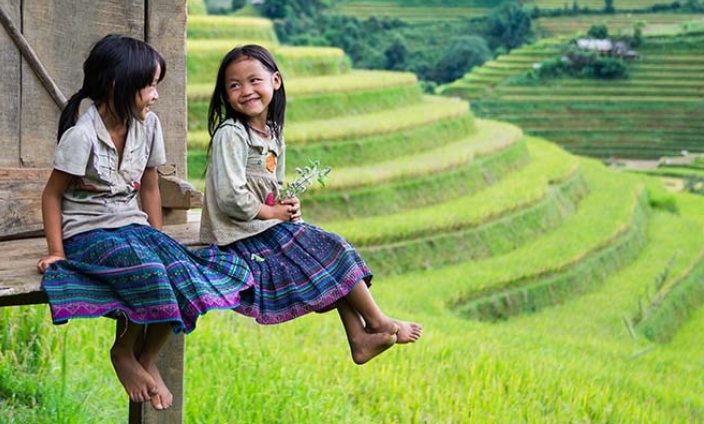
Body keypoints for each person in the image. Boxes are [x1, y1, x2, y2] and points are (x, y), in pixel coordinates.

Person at [37, 34, 251, 410]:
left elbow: (150, 187)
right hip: (88, 232)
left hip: (133, 225)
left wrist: (157, 238)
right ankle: (123, 352)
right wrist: (57, 251)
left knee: (181, 270)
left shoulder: (148, 126)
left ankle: (147, 357)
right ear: (117, 85)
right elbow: (52, 195)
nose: (156, 94)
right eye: (150, 85)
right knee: (149, 271)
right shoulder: (81, 136)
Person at [200, 44, 423, 365]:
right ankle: (377, 322)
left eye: (254, 81)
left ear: (275, 81)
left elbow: (272, 187)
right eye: (234, 85)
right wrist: (272, 212)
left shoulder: (272, 133)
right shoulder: (231, 134)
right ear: (225, 94)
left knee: (326, 255)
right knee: (329, 250)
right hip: (238, 236)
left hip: (263, 227)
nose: (246, 91)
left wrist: (286, 206)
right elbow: (229, 195)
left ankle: (359, 339)